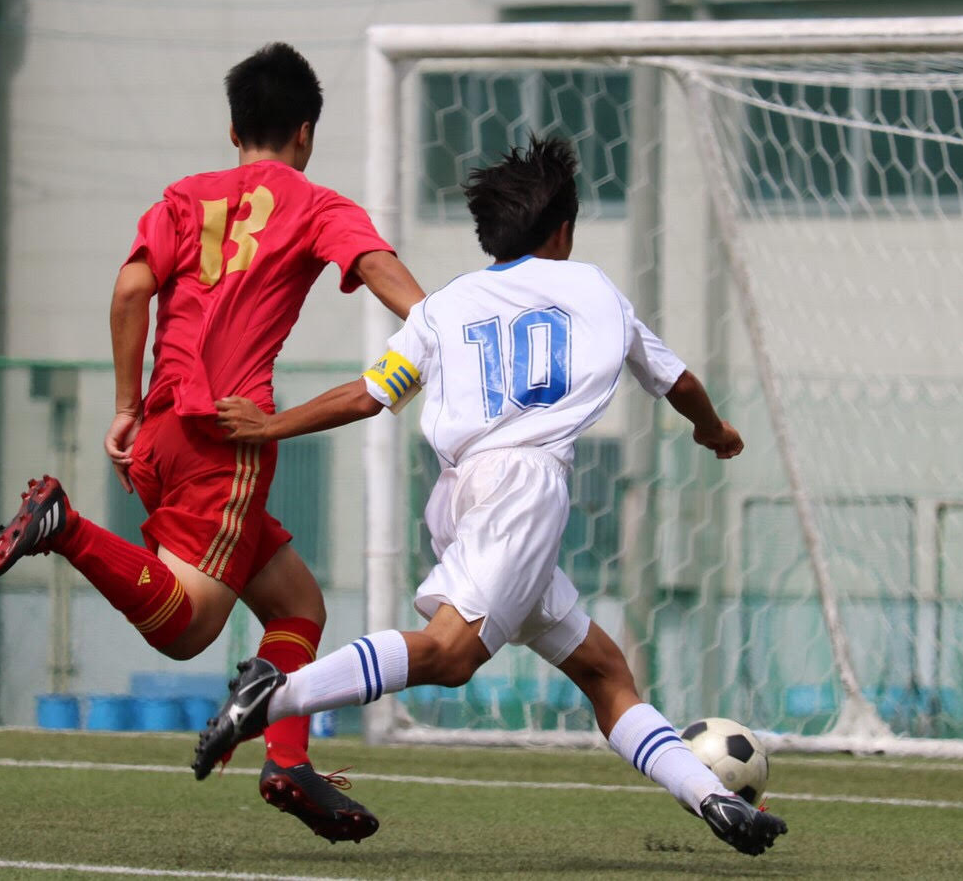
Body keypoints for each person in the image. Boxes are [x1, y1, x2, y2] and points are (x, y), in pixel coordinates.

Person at [197, 135, 788, 857]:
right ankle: (277, 694)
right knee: (450, 657)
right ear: (563, 229)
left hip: (458, 496)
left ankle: (716, 801)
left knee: (605, 673)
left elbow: (367, 395)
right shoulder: (595, 289)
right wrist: (715, 431)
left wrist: (272, 423)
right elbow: (681, 384)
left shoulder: (447, 305)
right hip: (524, 489)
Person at [0, 42, 425, 842]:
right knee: (189, 630)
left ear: (232, 129)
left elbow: (130, 290)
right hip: (230, 434)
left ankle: (288, 761)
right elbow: (397, 287)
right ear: (305, 132)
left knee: (297, 606)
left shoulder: (183, 198)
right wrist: (442, 331)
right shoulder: (319, 204)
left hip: (155, 431)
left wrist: (124, 404)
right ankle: (66, 527)